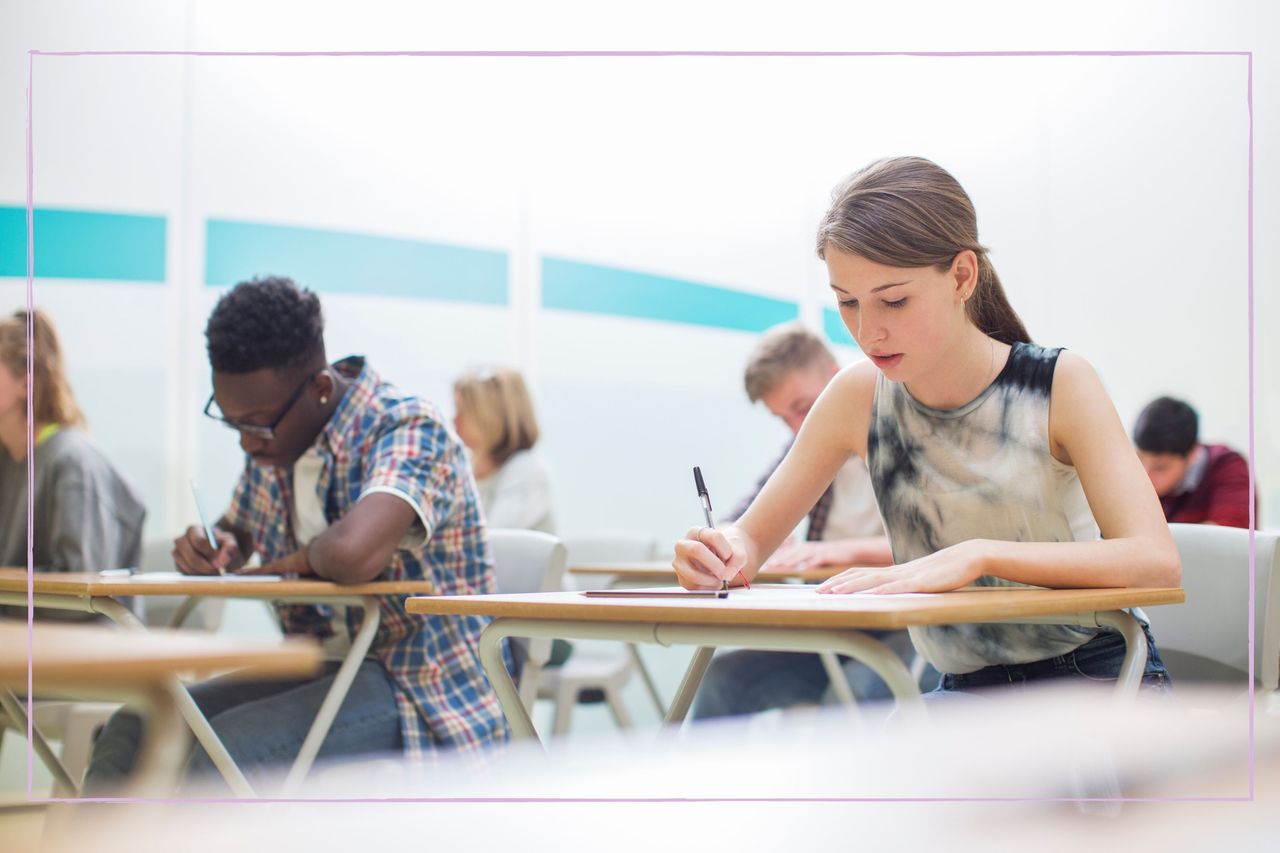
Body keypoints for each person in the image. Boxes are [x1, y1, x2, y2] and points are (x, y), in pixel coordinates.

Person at [674, 156, 1177, 703]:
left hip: (1099, 673)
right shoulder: (855, 396)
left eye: (894, 300)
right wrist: (719, 553)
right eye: (847, 303)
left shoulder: (1059, 383)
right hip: (962, 688)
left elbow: (1155, 560)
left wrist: (979, 554)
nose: (868, 331)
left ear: (962, 276)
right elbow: (752, 538)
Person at [84, 277, 507, 794]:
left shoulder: (408, 427)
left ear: (321, 389)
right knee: (133, 728)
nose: (245, 442)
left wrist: (305, 556)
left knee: (229, 752)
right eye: (231, 421)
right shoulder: (274, 447)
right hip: (317, 665)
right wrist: (212, 547)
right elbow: (233, 532)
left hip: (420, 685)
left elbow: (353, 555)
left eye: (257, 424)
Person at [691, 322, 921, 720]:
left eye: (801, 408)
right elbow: (743, 519)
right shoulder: (805, 445)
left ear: (838, 381)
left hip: (912, 626)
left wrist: (834, 552)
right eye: (783, 418)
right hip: (838, 622)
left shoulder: (912, 432)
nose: (798, 428)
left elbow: (939, 548)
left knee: (850, 697)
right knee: (724, 679)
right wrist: (726, 543)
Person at [0, 309, 145, 613]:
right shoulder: (6, 457)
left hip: (80, 647)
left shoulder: (73, 462)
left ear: (26, 384)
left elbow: (79, 596)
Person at [452, 366, 555, 534]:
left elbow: (494, 541)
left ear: (490, 417)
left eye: (463, 411)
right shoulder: (466, 468)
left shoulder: (527, 470)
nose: (454, 419)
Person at [1133, 396, 1253, 529]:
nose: (1146, 476)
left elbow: (1226, 539)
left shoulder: (1228, 467)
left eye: (1160, 467)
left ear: (1191, 455)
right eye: (1139, 460)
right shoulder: (1134, 476)